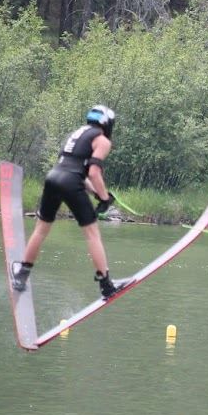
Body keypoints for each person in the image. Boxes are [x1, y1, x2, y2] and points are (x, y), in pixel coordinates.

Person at [11, 105, 125, 300]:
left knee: (40, 229)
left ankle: (21, 274)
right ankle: (106, 285)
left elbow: (73, 171)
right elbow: (93, 172)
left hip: (53, 178)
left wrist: (98, 193)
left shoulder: (77, 134)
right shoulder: (102, 140)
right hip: (71, 181)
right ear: (107, 124)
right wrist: (105, 198)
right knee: (92, 234)